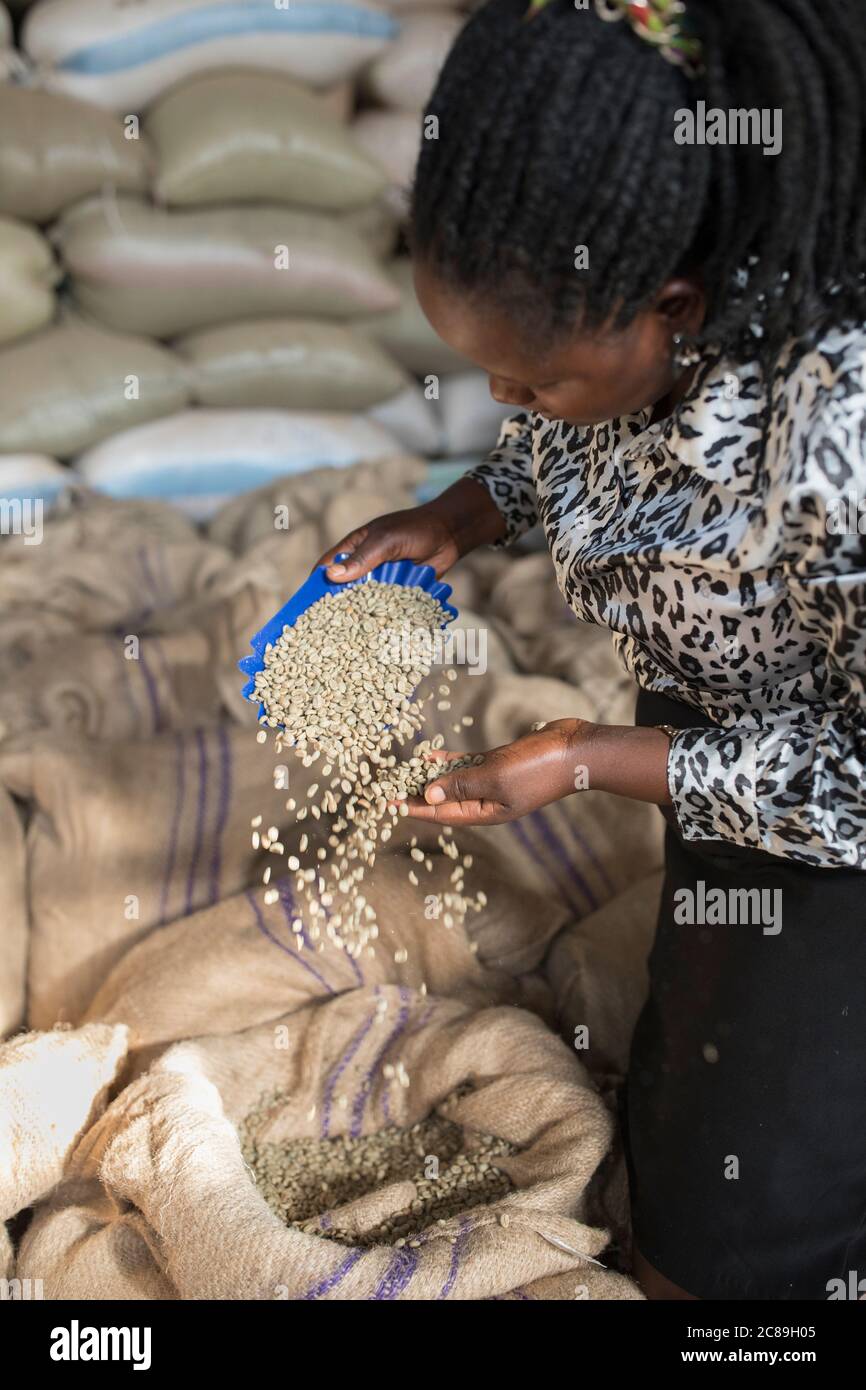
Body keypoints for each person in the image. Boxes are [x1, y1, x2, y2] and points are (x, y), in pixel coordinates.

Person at [319, 0, 866, 1300]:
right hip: (702, 760)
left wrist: (578, 758)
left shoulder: (831, 437)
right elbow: (570, 446)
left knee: (729, 1245)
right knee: (682, 1083)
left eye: (532, 379)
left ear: (671, 306)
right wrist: (453, 514)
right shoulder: (621, 344)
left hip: (838, 835)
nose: (509, 404)